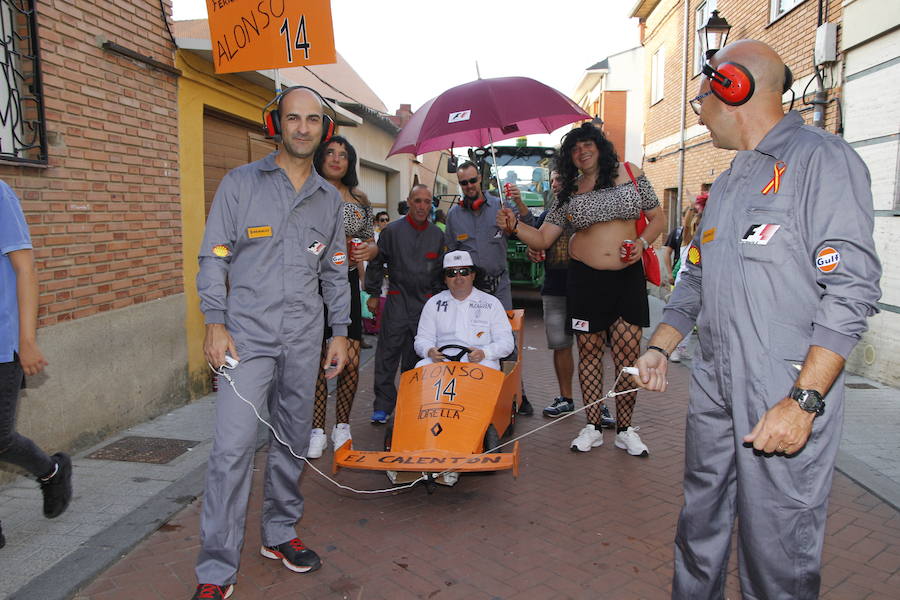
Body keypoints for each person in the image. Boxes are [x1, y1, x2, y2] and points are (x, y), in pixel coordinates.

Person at [633, 40, 881, 599]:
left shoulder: (824, 162)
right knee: (700, 525)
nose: (697, 111)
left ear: (734, 88)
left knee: (776, 549)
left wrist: (803, 402)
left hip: (783, 391)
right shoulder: (725, 184)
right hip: (715, 387)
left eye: (701, 99)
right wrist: (660, 345)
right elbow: (693, 280)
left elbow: (851, 290)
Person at [193, 87, 350, 600]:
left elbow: (335, 271)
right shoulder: (240, 184)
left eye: (311, 120)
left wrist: (341, 332)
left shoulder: (329, 200)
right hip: (247, 339)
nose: (302, 128)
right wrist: (214, 320)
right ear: (276, 123)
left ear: (323, 129)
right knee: (232, 451)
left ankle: (279, 534)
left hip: (305, 340)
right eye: (293, 118)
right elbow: (214, 254)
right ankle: (216, 570)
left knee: (290, 442)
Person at [498, 123, 664, 455]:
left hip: (627, 278)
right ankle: (592, 426)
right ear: (569, 158)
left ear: (600, 146)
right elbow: (544, 237)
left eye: (587, 144)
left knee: (626, 356)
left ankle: (625, 429)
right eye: (574, 149)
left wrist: (642, 242)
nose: (581, 152)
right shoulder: (569, 191)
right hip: (585, 280)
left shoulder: (631, 173)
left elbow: (658, 217)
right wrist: (515, 226)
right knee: (588, 355)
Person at [0, 181, 73, 550]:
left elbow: (25, 270)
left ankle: (51, 471)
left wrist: (26, 340)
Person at [306, 136, 379, 458]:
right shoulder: (306, 193)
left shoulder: (359, 199)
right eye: (330, 153)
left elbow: (371, 244)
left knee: (349, 360)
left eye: (344, 155)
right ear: (320, 158)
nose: (337, 159)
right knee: (317, 360)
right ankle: (317, 429)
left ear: (350, 162)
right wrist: (327, 251)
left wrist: (365, 251)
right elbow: (300, 241)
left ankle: (342, 426)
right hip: (311, 285)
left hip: (347, 284)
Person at [445, 161, 536, 416]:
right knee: (469, 338)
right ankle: (476, 391)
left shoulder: (501, 207)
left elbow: (531, 227)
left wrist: (517, 208)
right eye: (464, 183)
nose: (469, 186)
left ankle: (518, 394)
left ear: (480, 180)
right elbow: (450, 256)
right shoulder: (453, 216)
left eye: (473, 181)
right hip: (471, 290)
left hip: (499, 287)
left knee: (507, 339)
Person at [527, 169, 614, 427]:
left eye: (561, 178)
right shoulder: (549, 214)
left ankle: (597, 403)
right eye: (553, 179)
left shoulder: (590, 208)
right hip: (555, 287)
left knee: (591, 347)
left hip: (586, 287)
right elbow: (538, 242)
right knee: (560, 345)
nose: (556, 184)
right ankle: (566, 399)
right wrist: (534, 251)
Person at [365, 184, 444, 424]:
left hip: (425, 304)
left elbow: (441, 274)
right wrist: (373, 293)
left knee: (417, 357)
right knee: (387, 355)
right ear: (408, 202)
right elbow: (377, 262)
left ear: (431, 204)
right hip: (397, 300)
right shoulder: (392, 231)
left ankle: (412, 403)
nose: (422, 206)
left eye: (426, 201)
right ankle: (383, 406)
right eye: (417, 201)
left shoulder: (438, 235)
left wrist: (441, 303)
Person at [414, 250, 514, 372]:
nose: (458, 277)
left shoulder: (491, 303)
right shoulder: (434, 303)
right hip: (442, 362)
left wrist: (485, 353)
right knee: (420, 367)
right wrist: (429, 350)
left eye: (463, 272)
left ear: (473, 275)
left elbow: (506, 342)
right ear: (445, 279)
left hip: (481, 362)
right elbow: (422, 339)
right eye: (451, 273)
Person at [668, 207, 701, 362]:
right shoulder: (688, 240)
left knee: (694, 319)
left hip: (701, 284)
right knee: (682, 317)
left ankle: (681, 348)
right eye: (697, 224)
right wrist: (692, 209)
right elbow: (687, 226)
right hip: (685, 283)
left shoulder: (708, 241)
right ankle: (673, 348)